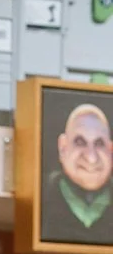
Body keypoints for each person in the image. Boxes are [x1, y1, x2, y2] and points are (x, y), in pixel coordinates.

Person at [48, 101, 113, 236]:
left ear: (110, 150)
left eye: (99, 143)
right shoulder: (43, 200)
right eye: (80, 142)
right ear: (63, 147)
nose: (91, 158)